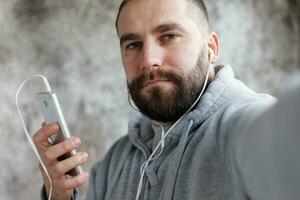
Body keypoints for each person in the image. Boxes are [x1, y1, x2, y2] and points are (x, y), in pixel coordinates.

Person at [34, 0, 300, 199]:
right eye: (133, 45)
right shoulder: (116, 161)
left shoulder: (242, 127)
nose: (148, 59)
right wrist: (58, 195)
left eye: (169, 36)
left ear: (211, 49)